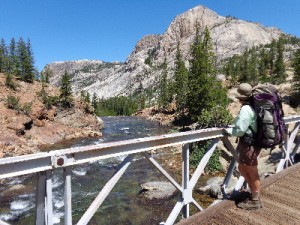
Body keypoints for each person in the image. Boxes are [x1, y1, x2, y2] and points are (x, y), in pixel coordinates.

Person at [224, 83, 263, 210]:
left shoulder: (246, 109)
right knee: (242, 168)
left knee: (252, 171)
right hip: (250, 143)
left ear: (240, 97)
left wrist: (228, 131)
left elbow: (240, 130)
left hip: (249, 144)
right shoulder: (252, 106)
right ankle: (253, 193)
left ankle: (255, 200)